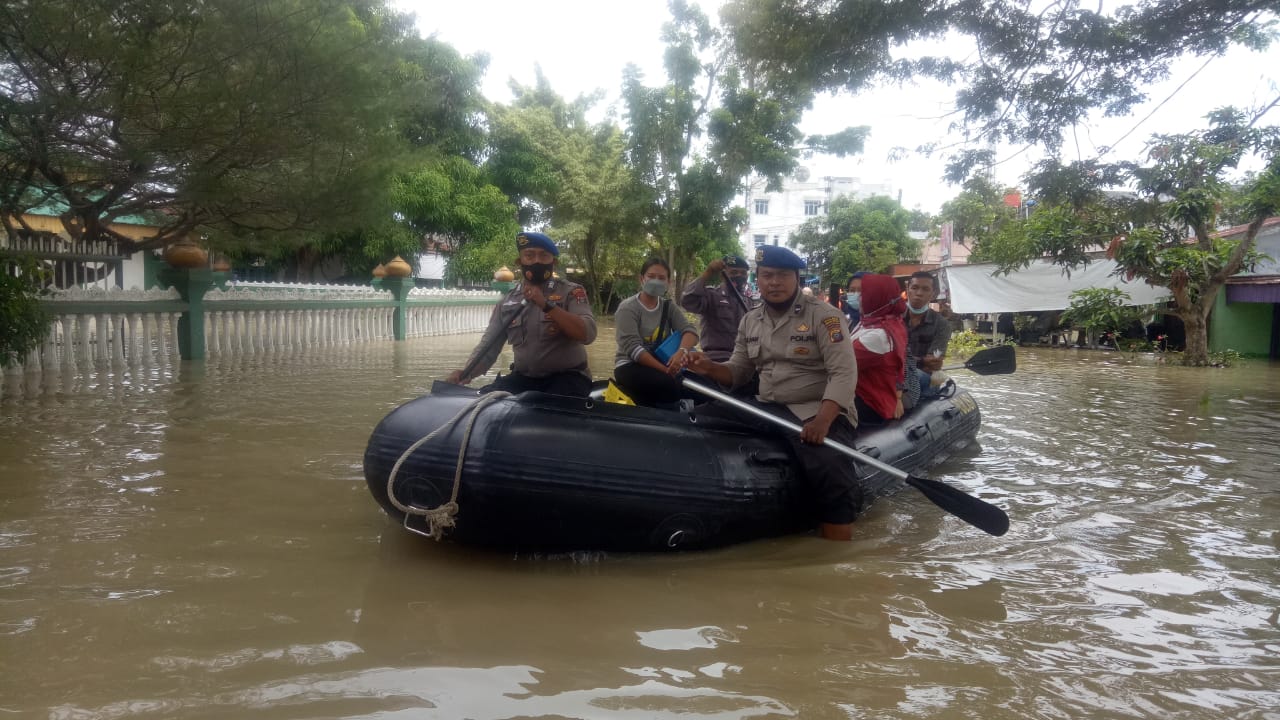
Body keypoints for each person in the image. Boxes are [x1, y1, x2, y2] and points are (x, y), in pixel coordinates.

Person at [685, 245, 862, 541]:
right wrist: (709, 368)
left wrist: (822, 421)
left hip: (814, 410)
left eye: (782, 275)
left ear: (797, 279)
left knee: (829, 465)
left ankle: (838, 538)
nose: (774, 282)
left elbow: (844, 373)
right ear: (759, 278)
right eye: (766, 275)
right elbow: (738, 371)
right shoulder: (750, 320)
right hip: (767, 407)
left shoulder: (826, 317)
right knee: (699, 419)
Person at [446, 231, 596, 396]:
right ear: (520, 262)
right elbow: (489, 345)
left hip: (568, 378)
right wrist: (466, 372)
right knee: (485, 401)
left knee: (550, 409)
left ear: (553, 262)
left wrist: (546, 305)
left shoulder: (571, 292)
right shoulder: (508, 302)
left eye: (544, 256)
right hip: (523, 378)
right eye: (530, 256)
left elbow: (587, 334)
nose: (537, 261)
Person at [614, 258, 699, 408]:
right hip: (630, 366)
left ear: (668, 282)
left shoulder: (668, 306)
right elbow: (634, 350)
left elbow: (691, 331)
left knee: (700, 385)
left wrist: (680, 353)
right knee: (668, 385)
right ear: (642, 279)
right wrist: (667, 370)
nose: (656, 281)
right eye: (651, 276)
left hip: (665, 363)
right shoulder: (627, 308)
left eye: (661, 278)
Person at [850, 274, 908, 424]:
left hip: (869, 403)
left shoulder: (878, 335)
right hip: (869, 396)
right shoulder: (876, 321)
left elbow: (836, 362)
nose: (859, 298)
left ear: (877, 297)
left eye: (864, 294)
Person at [680, 254, 753, 362]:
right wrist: (708, 272)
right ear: (723, 276)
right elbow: (688, 300)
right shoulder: (712, 296)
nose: (739, 276)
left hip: (744, 359)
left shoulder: (749, 302)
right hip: (717, 358)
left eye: (743, 273)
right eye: (733, 272)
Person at [904, 271, 953, 399]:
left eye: (925, 289)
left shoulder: (942, 325)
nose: (919, 293)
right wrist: (921, 360)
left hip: (924, 377)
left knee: (909, 376)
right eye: (914, 288)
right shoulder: (895, 318)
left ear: (933, 293)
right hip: (897, 374)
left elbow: (932, 363)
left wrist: (901, 361)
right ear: (907, 289)